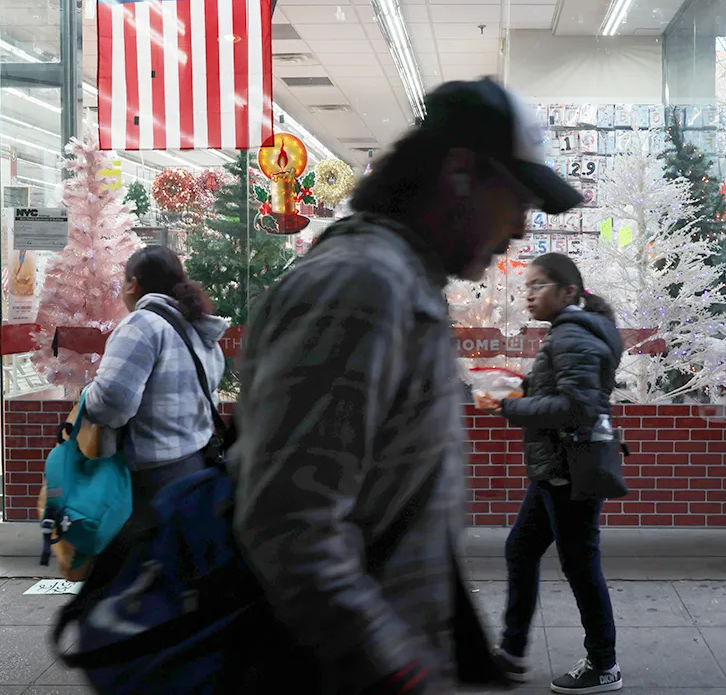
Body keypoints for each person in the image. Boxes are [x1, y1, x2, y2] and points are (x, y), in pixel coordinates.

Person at [230, 77, 583, 694]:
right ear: (460, 172)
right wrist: (401, 673)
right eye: (516, 200)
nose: (520, 230)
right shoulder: (359, 288)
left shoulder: (394, 283)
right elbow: (291, 525)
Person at [479, 251, 625, 694]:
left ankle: (604, 665)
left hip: (569, 471)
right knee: (521, 550)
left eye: (538, 285)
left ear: (568, 291)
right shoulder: (567, 333)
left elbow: (577, 407)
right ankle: (511, 654)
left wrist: (510, 407)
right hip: (555, 469)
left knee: (580, 565)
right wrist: (522, 389)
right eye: (526, 287)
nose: (528, 294)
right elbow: (566, 392)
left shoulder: (572, 336)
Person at [81, 244, 227, 504]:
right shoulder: (198, 326)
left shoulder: (140, 325)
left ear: (133, 285)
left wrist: (86, 395)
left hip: (150, 480)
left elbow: (110, 404)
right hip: (196, 466)